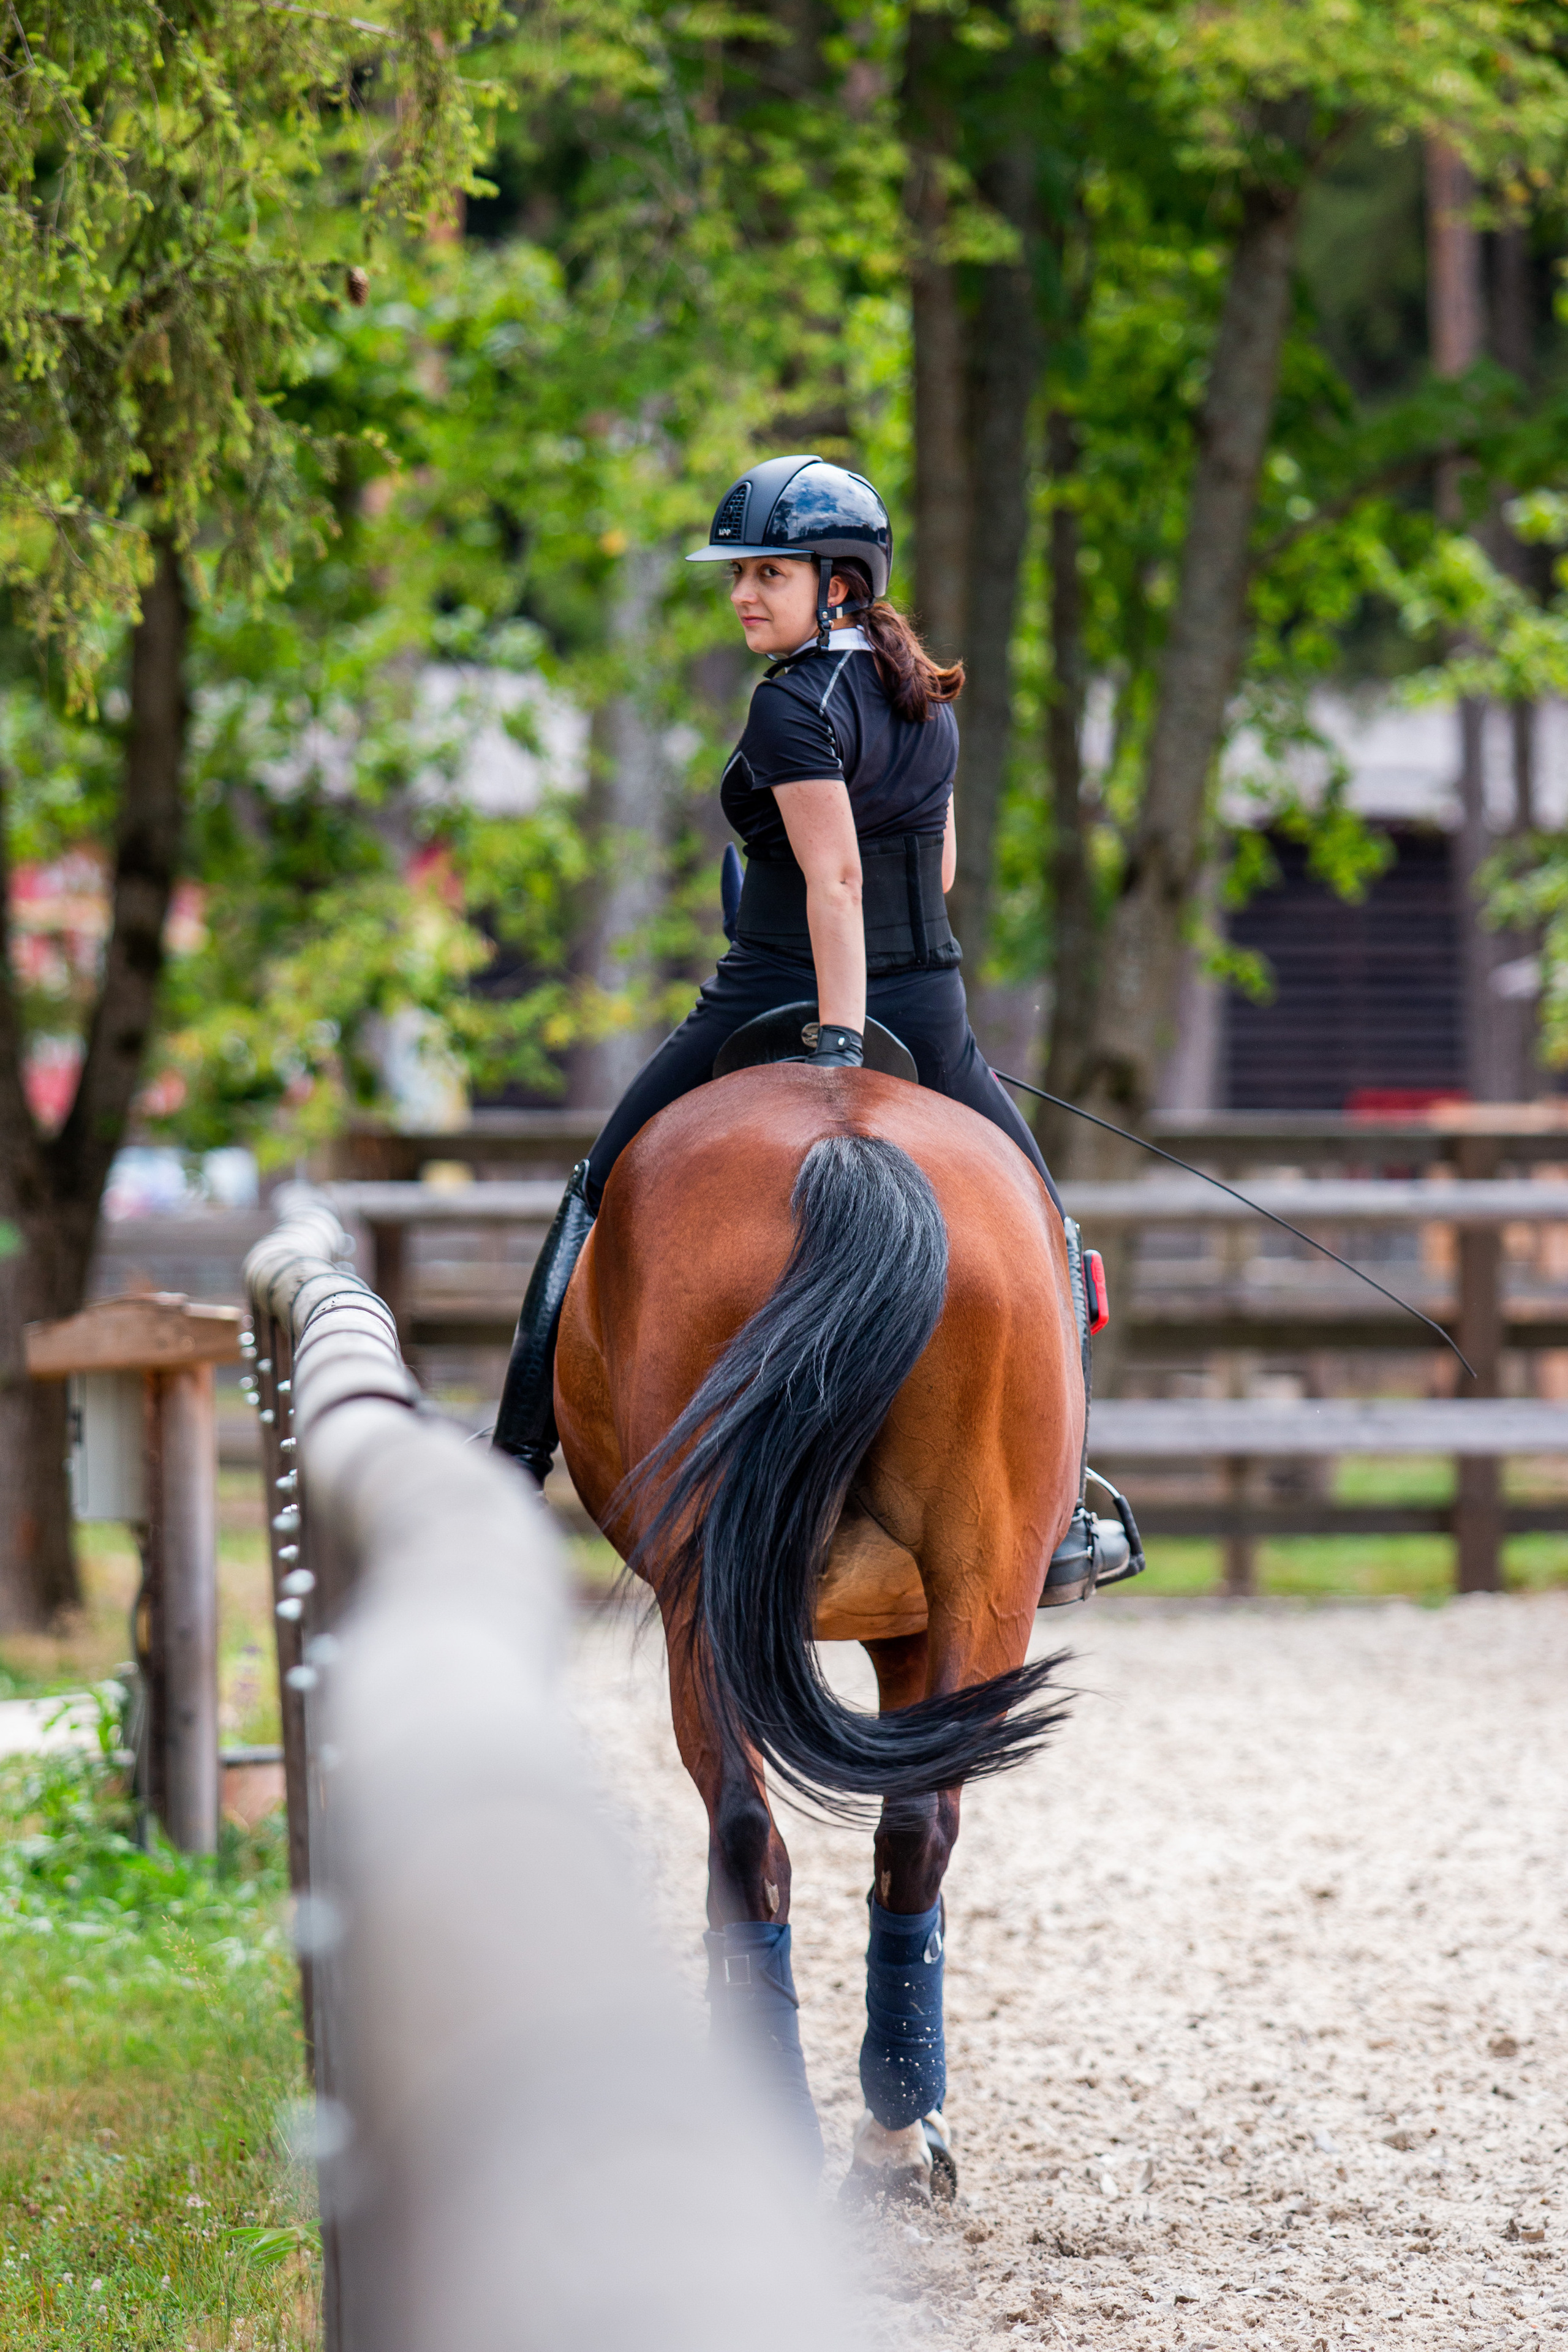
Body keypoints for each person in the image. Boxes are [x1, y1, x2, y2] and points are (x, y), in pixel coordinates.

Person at [493, 452, 1070, 1487]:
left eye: (769, 574)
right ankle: (1065, 1494)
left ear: (836, 583)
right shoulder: (925, 698)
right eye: (739, 574)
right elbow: (932, 870)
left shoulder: (787, 705)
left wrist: (841, 1046)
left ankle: (518, 1451)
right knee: (1044, 1218)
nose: (743, 594)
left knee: (596, 1186)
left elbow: (835, 882)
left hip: (775, 990)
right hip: (931, 1005)